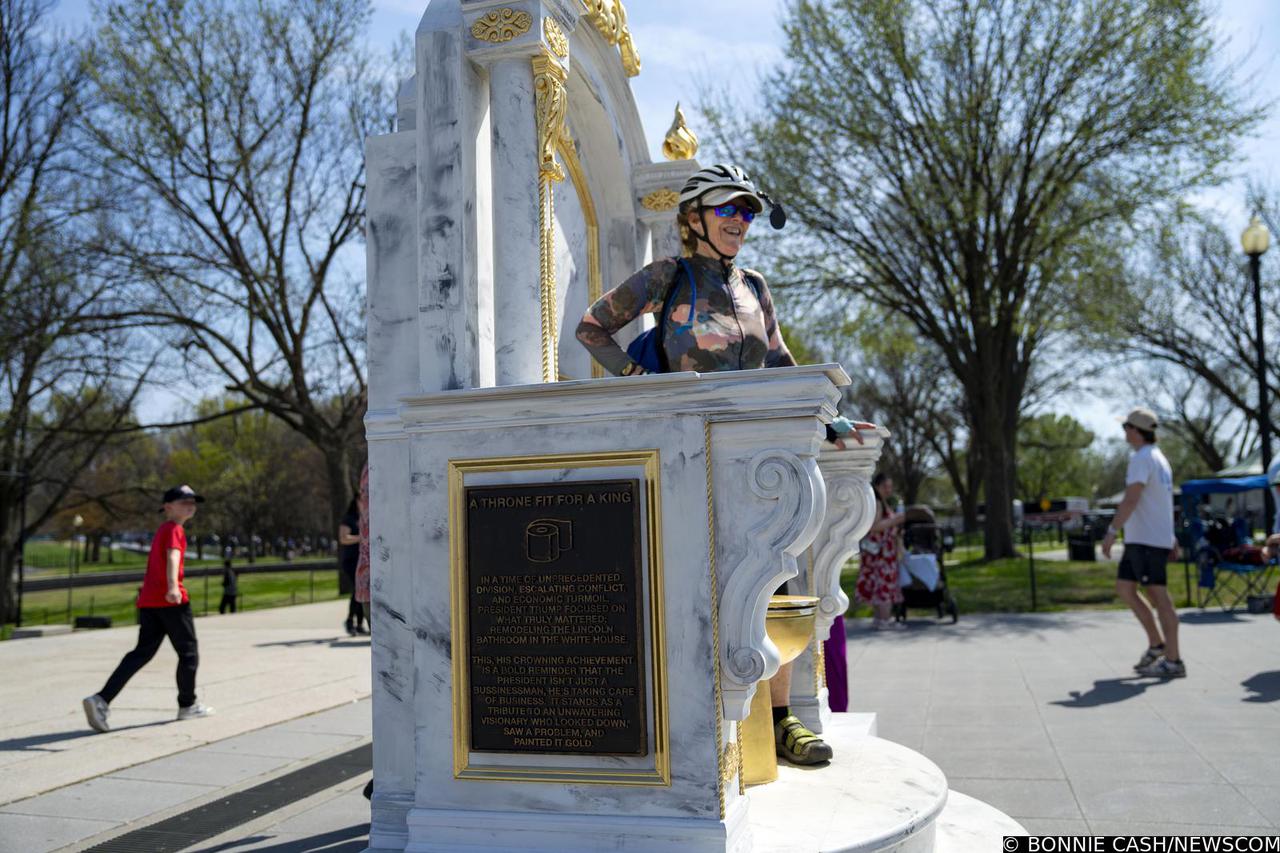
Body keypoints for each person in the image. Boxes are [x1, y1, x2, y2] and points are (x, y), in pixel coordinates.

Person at [576, 163, 874, 766]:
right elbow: (592, 328)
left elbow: (782, 363)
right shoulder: (669, 276)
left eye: (748, 212)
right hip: (688, 454)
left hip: (761, 460)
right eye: (728, 210)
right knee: (690, 588)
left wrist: (832, 417)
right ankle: (687, 729)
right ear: (693, 218)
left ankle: (781, 722)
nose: (740, 221)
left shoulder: (755, 287)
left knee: (773, 582)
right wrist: (645, 380)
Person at [82, 485, 215, 732]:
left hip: (150, 602)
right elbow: (174, 556)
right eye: (183, 501)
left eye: (193, 502)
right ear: (168, 507)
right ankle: (188, 705)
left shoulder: (164, 530)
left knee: (141, 653)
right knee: (188, 654)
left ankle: (100, 700)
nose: (190, 505)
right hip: (170, 601)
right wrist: (174, 586)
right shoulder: (174, 529)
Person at [1102, 408, 1184, 678]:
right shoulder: (1158, 459)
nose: (1123, 431)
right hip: (1144, 539)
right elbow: (1161, 503)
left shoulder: (1142, 459)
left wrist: (1112, 530)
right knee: (1125, 588)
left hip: (1147, 541)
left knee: (1159, 597)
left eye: (1126, 426)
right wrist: (1170, 537)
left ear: (1136, 431)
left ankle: (1173, 660)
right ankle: (1156, 644)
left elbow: (1131, 499)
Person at [856, 473, 906, 631]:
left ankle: (880, 619)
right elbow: (874, 526)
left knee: (879, 586)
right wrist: (896, 520)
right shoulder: (877, 503)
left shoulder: (879, 502)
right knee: (884, 586)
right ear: (877, 486)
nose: (888, 490)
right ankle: (884, 620)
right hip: (881, 554)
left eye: (890, 487)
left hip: (879, 554)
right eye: (885, 486)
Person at [338, 498, 366, 635]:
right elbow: (343, 538)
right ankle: (350, 621)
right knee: (357, 590)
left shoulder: (365, 517)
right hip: (351, 560)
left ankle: (360, 624)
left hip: (363, 559)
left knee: (363, 590)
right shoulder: (349, 519)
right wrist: (360, 538)